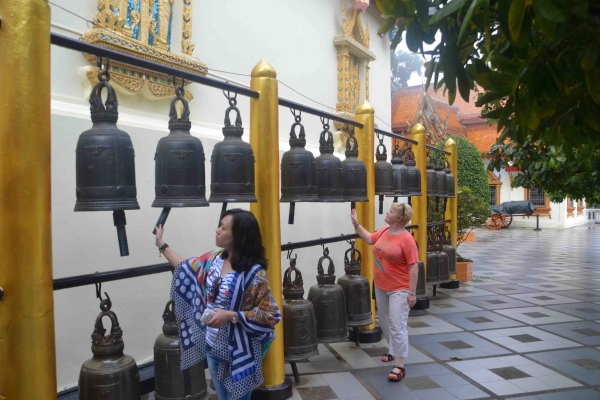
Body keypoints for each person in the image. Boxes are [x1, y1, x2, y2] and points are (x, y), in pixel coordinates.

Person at [155, 208, 280, 400]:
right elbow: (185, 269)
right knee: (223, 397)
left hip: (240, 352)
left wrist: (231, 315)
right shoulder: (213, 259)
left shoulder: (255, 274)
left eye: (223, 227)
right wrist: (162, 245)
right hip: (212, 346)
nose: (217, 230)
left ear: (238, 235)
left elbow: (270, 314)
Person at [350, 202, 418, 382]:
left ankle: (399, 365)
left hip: (400, 289)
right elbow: (370, 239)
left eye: (391, 211)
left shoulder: (407, 240)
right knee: (385, 322)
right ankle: (392, 350)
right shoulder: (384, 230)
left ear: (400, 218)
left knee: (397, 324)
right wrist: (356, 225)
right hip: (381, 285)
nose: (387, 212)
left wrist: (412, 293)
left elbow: (413, 267)